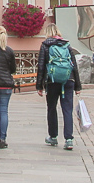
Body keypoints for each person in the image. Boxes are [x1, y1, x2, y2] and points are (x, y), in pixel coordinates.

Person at [36, 23, 81, 151]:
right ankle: (69, 139)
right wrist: (78, 86)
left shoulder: (45, 45)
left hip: (52, 80)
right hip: (68, 79)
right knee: (67, 109)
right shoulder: (67, 45)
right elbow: (74, 65)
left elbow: (41, 66)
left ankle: (53, 136)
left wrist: (39, 86)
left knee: (52, 108)